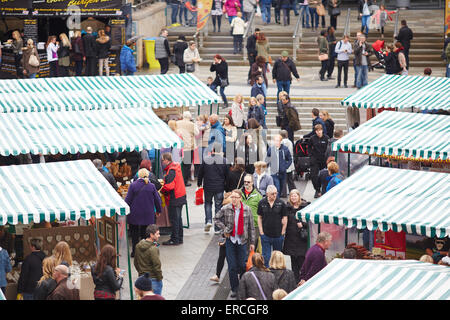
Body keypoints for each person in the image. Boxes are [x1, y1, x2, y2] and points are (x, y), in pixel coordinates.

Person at [214, 189, 255, 298]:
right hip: (231, 240)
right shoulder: (226, 208)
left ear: (240, 198)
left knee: (242, 265)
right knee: (231, 266)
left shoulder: (247, 209)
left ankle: (242, 286)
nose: (234, 199)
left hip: (242, 240)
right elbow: (216, 218)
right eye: (232, 197)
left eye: (236, 197)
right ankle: (234, 288)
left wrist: (252, 242)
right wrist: (225, 229)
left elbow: (251, 227)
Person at [125, 168, 162, 255]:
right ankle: (145, 251)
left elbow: (127, 200)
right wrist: (158, 211)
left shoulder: (133, 185)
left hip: (135, 214)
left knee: (134, 234)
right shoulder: (152, 186)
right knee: (145, 234)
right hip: (148, 214)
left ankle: (135, 251)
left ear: (138, 176)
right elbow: (157, 200)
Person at [197, 142, 228, 232]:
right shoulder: (224, 160)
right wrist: (226, 187)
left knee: (208, 203)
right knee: (218, 206)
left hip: (208, 186)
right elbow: (227, 175)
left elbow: (200, 173)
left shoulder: (206, 159)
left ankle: (208, 221)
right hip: (219, 187)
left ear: (212, 150)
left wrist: (199, 183)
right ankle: (217, 228)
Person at [257, 184, 288, 267]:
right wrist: (261, 232)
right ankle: (267, 273)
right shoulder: (261, 203)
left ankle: (277, 273)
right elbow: (259, 217)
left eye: (275, 193)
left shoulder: (281, 203)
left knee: (277, 258)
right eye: (272, 194)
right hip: (266, 235)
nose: (274, 195)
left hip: (278, 235)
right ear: (267, 194)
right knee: (266, 257)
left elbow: (285, 218)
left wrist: (283, 232)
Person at [282, 189, 309, 283]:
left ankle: (303, 280)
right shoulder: (287, 208)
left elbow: (310, 222)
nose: (293, 197)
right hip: (291, 239)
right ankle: (295, 281)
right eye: (292, 196)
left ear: (299, 196)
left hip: (301, 239)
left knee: (302, 261)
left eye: (295, 195)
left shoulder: (305, 207)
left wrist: (303, 225)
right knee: (294, 262)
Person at [161, 153, 187, 245]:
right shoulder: (175, 168)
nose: (162, 162)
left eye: (163, 160)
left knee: (175, 219)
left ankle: (175, 239)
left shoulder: (171, 170)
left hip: (175, 197)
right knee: (178, 218)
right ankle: (179, 238)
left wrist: (162, 190)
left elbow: (170, 186)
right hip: (180, 196)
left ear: (167, 160)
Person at [134, 225, 164, 295]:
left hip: (142, 278)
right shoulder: (153, 249)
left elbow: (136, 262)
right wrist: (159, 278)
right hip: (153, 279)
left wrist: (141, 273)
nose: (159, 236)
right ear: (151, 235)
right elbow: (157, 265)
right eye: (157, 234)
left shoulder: (138, 246)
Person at [240, 174, 263, 249]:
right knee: (242, 246)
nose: (246, 183)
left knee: (252, 247)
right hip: (241, 224)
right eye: (245, 182)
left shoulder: (258, 195)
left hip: (254, 225)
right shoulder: (239, 193)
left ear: (253, 182)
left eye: (248, 182)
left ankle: (251, 260)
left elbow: (262, 212)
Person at [177, 111, 199, 186]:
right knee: (187, 166)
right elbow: (197, 133)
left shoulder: (178, 123)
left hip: (179, 146)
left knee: (179, 164)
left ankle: (179, 181)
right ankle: (185, 181)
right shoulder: (191, 124)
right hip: (188, 147)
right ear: (189, 117)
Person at [309, 124, 329, 198]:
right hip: (315, 160)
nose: (319, 132)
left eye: (320, 130)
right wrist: (311, 157)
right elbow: (309, 148)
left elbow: (328, 148)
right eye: (317, 131)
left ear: (322, 130)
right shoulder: (312, 138)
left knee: (324, 175)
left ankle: (323, 189)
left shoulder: (326, 138)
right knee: (313, 176)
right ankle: (317, 190)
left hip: (324, 160)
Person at [280, 130, 296, 198]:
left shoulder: (281, 143)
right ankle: (293, 191)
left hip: (284, 163)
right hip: (289, 163)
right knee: (290, 179)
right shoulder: (290, 142)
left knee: (283, 179)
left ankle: (283, 193)